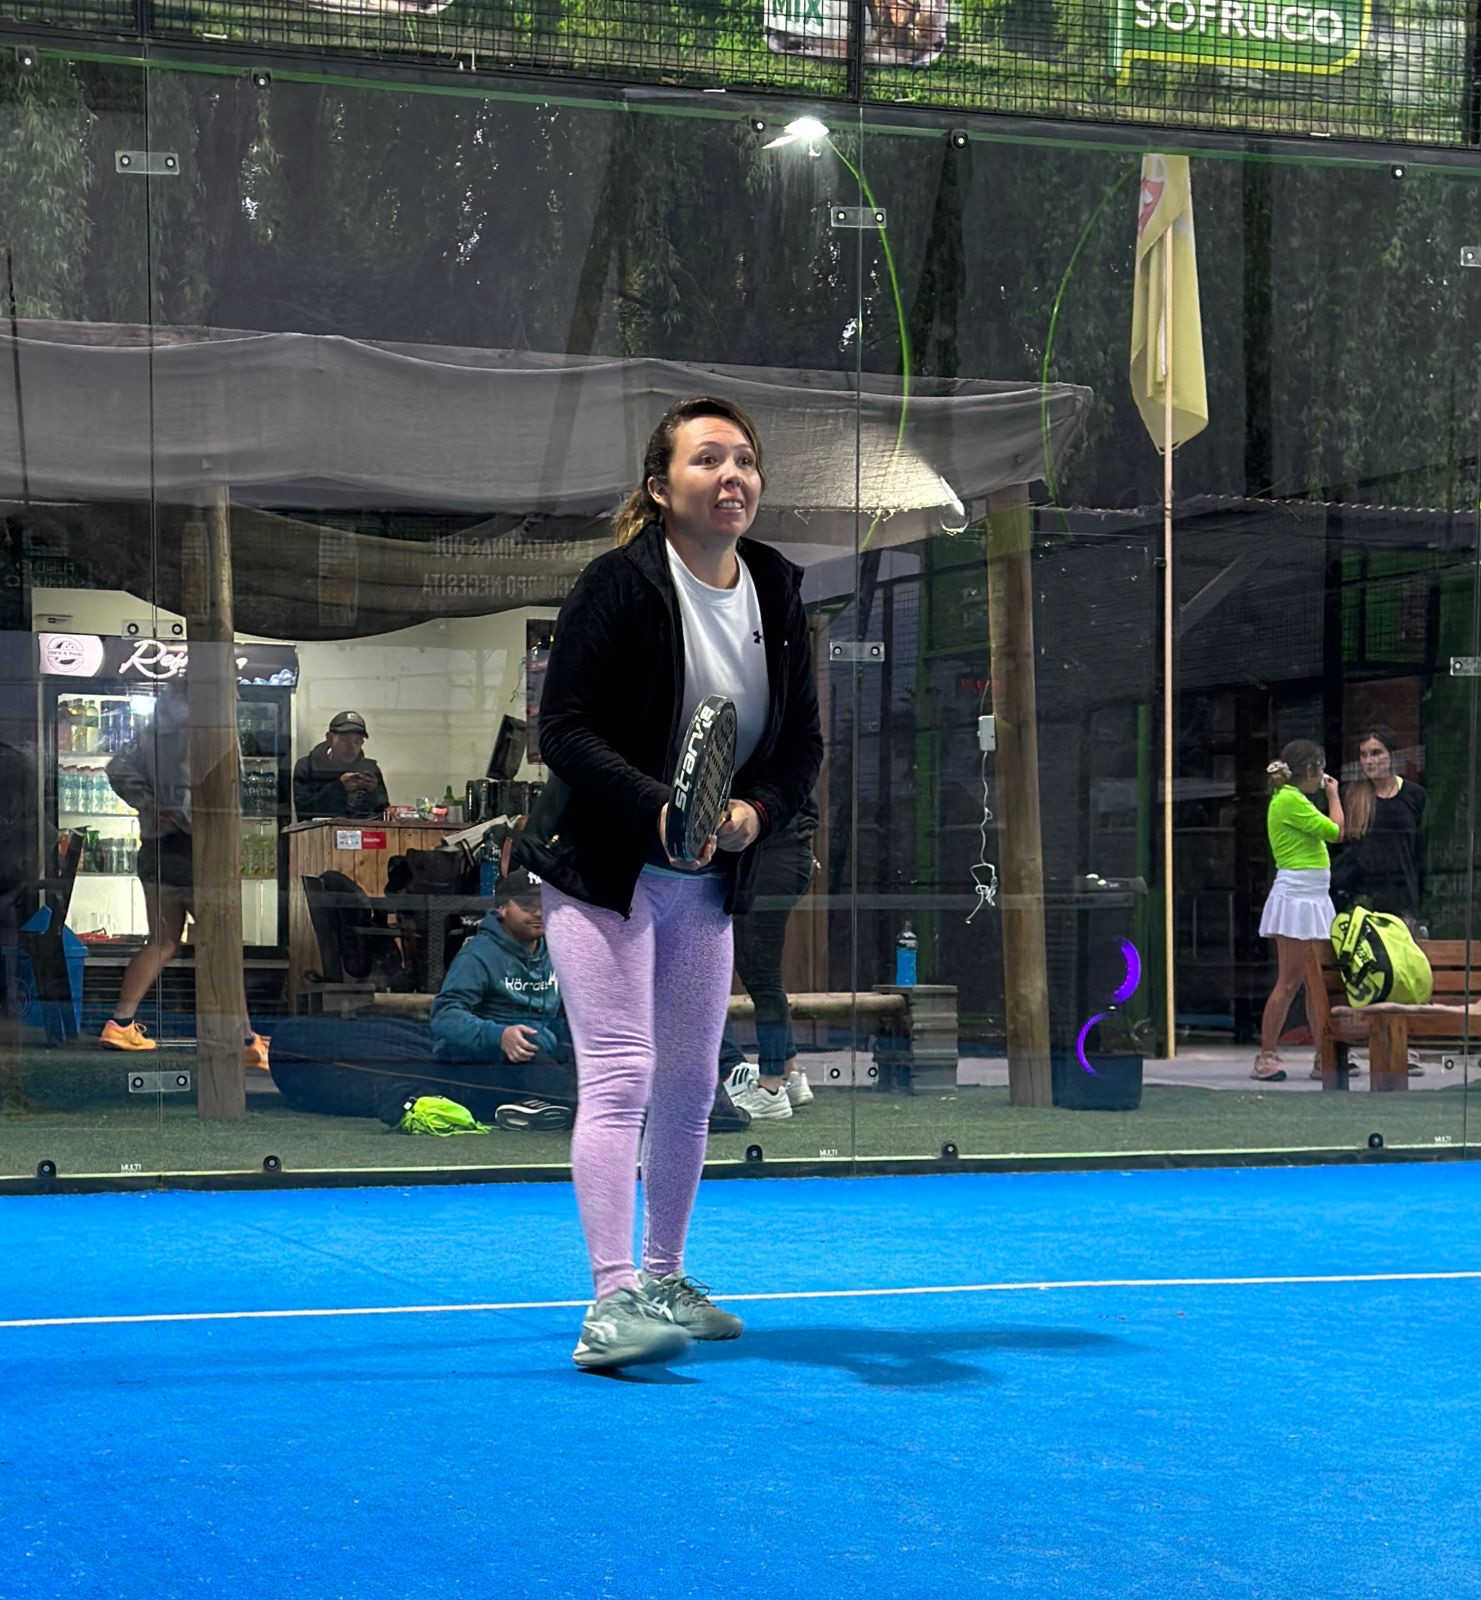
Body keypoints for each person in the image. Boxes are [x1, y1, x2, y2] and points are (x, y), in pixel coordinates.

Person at [514, 394, 822, 1370]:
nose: (732, 476)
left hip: (705, 875)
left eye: (745, 460)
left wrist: (752, 813)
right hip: (602, 868)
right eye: (707, 459)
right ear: (659, 486)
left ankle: (665, 1276)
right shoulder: (616, 585)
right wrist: (660, 808)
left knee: (691, 1087)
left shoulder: (775, 590)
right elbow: (562, 730)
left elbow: (800, 747)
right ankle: (609, 1302)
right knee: (621, 1076)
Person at [100, 685, 267, 1070]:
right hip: (195, 851)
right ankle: (243, 1040)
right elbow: (194, 789)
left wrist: (150, 805)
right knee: (221, 944)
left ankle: (120, 1024)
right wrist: (191, 824)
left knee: (162, 941)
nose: (237, 698)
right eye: (232, 689)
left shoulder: (155, 732)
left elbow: (116, 767)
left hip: (158, 850)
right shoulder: (204, 731)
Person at [426, 866, 576, 1129]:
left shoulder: (556, 951)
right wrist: (500, 1035)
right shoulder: (477, 955)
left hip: (540, 1056)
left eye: (545, 904)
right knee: (528, 1045)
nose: (539, 912)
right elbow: (444, 1016)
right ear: (503, 908)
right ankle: (579, 1107)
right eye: (528, 905)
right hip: (482, 1065)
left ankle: (541, 1106)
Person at [1332, 724, 1427, 1076]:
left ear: (1392, 755)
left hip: (1402, 899)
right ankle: (1357, 1047)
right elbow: (1344, 850)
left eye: (1376, 753)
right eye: (1364, 755)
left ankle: (1405, 1048)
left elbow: (1420, 851)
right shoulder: (1354, 795)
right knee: (1363, 974)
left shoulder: (1414, 795)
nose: (1369, 761)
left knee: (1404, 975)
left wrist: (1421, 904)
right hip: (1362, 901)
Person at [720, 791, 820, 1120]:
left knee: (763, 978)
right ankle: (791, 1075)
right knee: (763, 976)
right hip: (785, 855)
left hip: (775, 858)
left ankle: (770, 1087)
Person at [1252, 740, 1342, 1083]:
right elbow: (1336, 831)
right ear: (1310, 769)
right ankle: (1266, 1055)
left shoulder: (1295, 799)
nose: (1323, 776)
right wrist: (1334, 795)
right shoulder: (1289, 800)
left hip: (1316, 897)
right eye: (1321, 769)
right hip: (1297, 897)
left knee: (1316, 983)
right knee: (1289, 981)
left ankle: (1324, 1054)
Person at [292, 711, 388, 821]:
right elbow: (303, 813)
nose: (351, 747)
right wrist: (339, 788)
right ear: (330, 739)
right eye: (344, 740)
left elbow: (383, 814)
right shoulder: (307, 767)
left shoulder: (369, 769)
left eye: (357, 741)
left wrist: (373, 793)